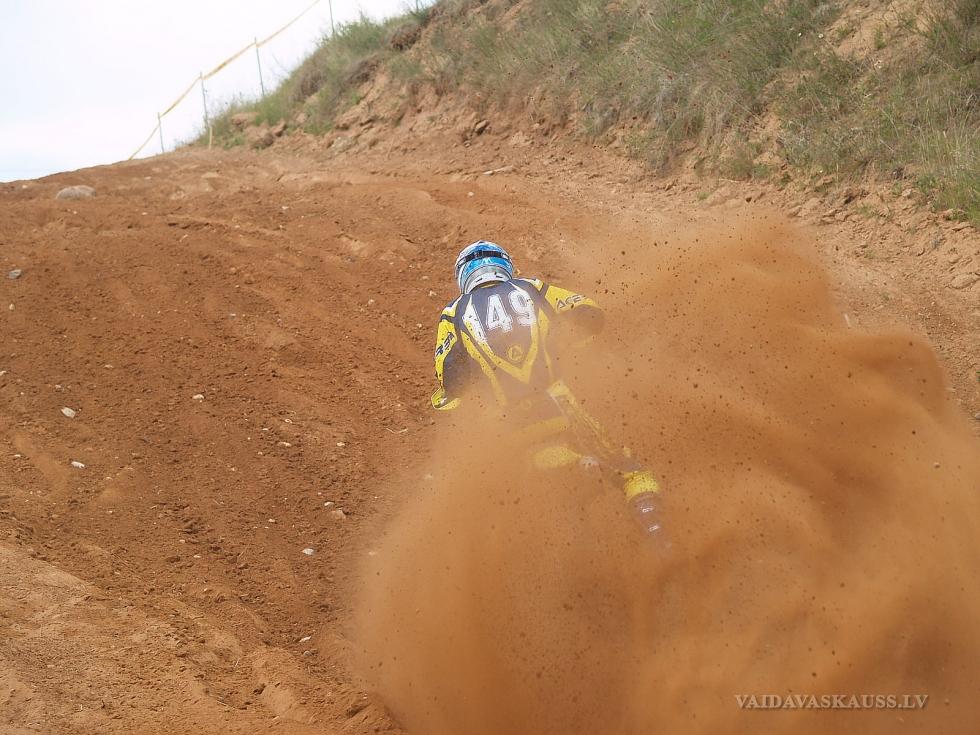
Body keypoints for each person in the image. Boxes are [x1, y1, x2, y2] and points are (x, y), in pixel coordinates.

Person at [430, 240, 665, 536]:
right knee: (628, 467)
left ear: (463, 276)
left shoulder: (453, 313)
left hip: (508, 420)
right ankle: (656, 529)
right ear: (505, 265)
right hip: (560, 403)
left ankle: (572, 472)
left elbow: (450, 379)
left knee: (507, 491)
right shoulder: (532, 288)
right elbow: (590, 313)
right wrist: (561, 342)